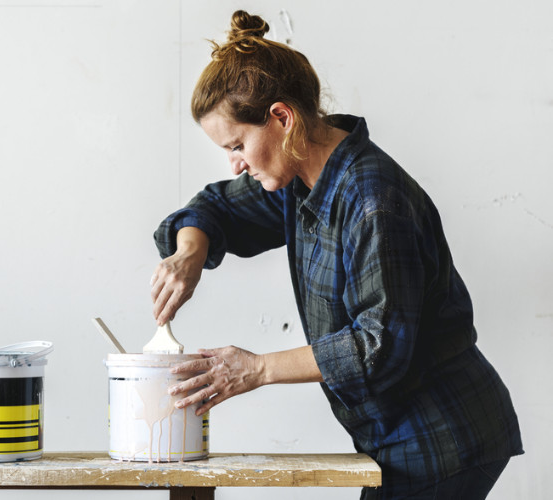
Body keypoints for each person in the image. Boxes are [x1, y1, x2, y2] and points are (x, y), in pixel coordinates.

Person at [150, 10, 523, 500]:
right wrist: (189, 255)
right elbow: (215, 207)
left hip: (443, 436)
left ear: (281, 118)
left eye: (238, 144)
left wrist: (255, 368)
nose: (235, 163)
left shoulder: (373, 200)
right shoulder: (299, 179)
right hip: (395, 437)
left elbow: (380, 347)